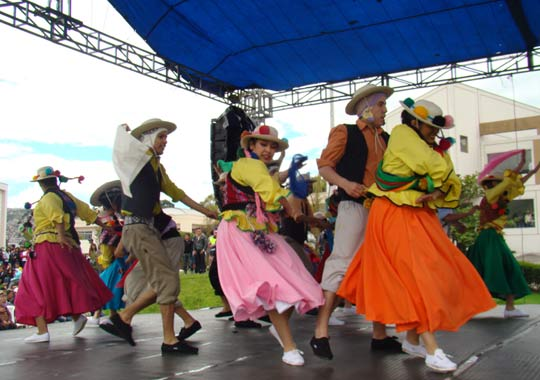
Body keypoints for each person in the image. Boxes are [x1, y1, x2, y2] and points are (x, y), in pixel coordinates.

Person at [338, 98, 496, 372]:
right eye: (430, 128)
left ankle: (412, 340)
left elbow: (449, 179)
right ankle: (432, 348)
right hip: (393, 212)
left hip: (419, 214)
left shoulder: (431, 145)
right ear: (414, 122)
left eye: (436, 130)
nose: (435, 134)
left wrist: (437, 189)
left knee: (437, 271)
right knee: (413, 276)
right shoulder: (402, 135)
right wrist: (439, 181)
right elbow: (434, 168)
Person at [216, 125, 324, 366]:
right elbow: (270, 191)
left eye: (272, 146)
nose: (268, 150)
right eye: (263, 145)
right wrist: (289, 206)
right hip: (240, 230)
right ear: (251, 146)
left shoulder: (259, 168)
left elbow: (271, 186)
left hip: (259, 230)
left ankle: (279, 329)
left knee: (294, 277)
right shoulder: (248, 165)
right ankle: (289, 346)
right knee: (271, 286)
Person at [111, 119, 217, 355]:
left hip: (146, 230)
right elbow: (123, 147)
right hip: (139, 228)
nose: (165, 141)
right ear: (147, 138)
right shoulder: (136, 160)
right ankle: (164, 338)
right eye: (161, 137)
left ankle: (127, 318)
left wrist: (205, 211)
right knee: (167, 280)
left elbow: (176, 193)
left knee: (165, 281)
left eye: (165, 138)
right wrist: (126, 132)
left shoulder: (156, 167)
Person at [311, 84, 397, 360]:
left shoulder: (387, 138)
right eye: (381, 104)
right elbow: (325, 166)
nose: (385, 109)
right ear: (366, 107)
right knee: (341, 262)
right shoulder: (345, 132)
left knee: (380, 268)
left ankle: (380, 335)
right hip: (354, 206)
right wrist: (347, 184)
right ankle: (320, 331)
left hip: (382, 209)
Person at [15, 166, 113, 343]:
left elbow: (57, 217)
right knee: (64, 281)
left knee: (33, 286)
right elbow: (87, 212)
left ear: (41, 184)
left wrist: (60, 235)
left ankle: (42, 331)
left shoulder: (49, 198)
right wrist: (105, 226)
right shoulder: (66, 196)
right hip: (65, 245)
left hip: (48, 246)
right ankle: (77, 317)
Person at [467, 154, 540, 319]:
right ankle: (506, 307)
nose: (498, 184)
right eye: (496, 182)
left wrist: (533, 170)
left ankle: (510, 307)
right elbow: (509, 182)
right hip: (489, 237)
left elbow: (516, 184)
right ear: (492, 184)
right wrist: (520, 165)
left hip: (492, 236)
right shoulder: (491, 195)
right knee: (504, 267)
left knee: (499, 269)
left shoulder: (500, 198)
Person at [89, 180, 128, 324]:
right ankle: (109, 313)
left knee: (108, 283)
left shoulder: (115, 218)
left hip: (118, 258)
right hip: (118, 259)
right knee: (111, 284)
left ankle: (104, 313)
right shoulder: (115, 219)